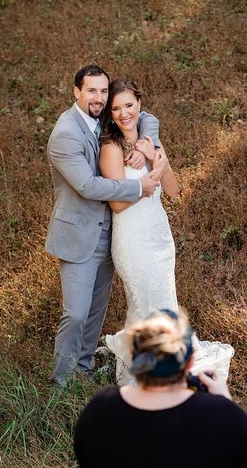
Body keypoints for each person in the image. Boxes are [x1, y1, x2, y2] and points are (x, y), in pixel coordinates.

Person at [74, 309, 247, 468]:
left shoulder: (102, 407)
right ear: (189, 362)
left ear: (134, 357)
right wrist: (227, 399)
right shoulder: (219, 412)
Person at [98, 79, 233, 384]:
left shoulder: (150, 141)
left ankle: (164, 368)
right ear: (110, 113)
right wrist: (147, 181)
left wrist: (155, 157)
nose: (124, 113)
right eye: (116, 108)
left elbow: (173, 190)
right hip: (132, 240)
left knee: (164, 303)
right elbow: (118, 203)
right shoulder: (111, 147)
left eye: (129, 105)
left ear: (139, 104)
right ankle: (146, 376)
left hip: (159, 236)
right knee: (146, 304)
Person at [45, 65, 167, 387]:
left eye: (103, 91)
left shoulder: (102, 117)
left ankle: (82, 371)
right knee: (75, 313)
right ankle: (60, 383)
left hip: (111, 234)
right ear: (76, 92)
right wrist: (139, 187)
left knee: (95, 310)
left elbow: (146, 116)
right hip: (78, 234)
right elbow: (87, 185)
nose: (98, 98)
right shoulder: (65, 134)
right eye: (91, 91)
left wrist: (146, 141)